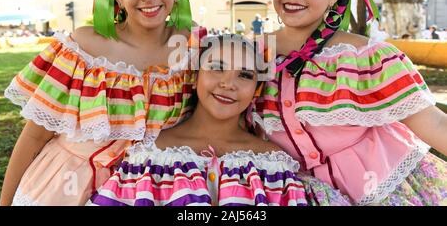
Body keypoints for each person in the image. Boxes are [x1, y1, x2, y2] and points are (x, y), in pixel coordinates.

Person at [0, 0, 202, 206]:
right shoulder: (84, 47)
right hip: (65, 190)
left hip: (153, 190)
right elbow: (34, 136)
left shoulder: (192, 45)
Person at [249, 0, 447, 206]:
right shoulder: (249, 55)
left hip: (382, 191)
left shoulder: (368, 56)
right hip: (288, 194)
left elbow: (434, 124)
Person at [87, 34, 351, 206]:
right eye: (217, 68)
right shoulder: (151, 154)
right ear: (195, 76)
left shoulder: (273, 162)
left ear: (256, 90)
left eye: (245, 76)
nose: (228, 84)